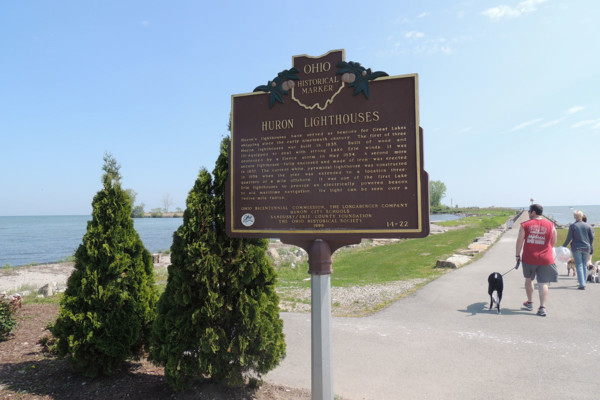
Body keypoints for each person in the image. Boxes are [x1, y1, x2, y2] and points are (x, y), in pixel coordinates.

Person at [515, 204, 558, 317]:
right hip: (546, 258)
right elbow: (553, 241)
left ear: (533, 212)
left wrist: (517, 255)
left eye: (529, 211)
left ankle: (529, 302)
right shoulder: (551, 225)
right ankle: (542, 307)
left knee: (529, 279)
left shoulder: (525, 225)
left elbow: (519, 240)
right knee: (543, 282)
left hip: (529, 257)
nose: (528, 213)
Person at [563, 210, 595, 290]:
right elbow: (592, 238)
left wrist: (563, 246)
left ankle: (582, 284)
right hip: (586, 247)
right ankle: (583, 282)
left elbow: (569, 238)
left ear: (575, 217)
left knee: (579, 265)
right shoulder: (588, 226)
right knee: (584, 265)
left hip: (576, 247)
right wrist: (590, 245)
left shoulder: (573, 226)